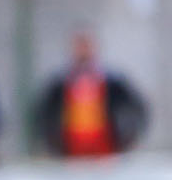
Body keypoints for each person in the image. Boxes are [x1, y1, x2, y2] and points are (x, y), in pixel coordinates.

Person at [32, 28, 148, 159]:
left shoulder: (112, 81)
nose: (83, 51)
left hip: (106, 151)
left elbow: (137, 107)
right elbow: (42, 114)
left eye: (87, 45)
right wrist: (51, 142)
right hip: (70, 153)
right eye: (79, 46)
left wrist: (130, 135)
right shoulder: (60, 82)